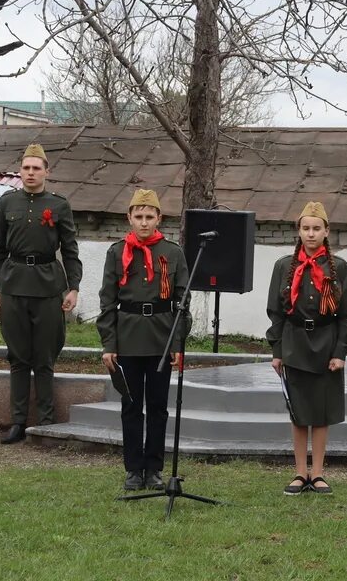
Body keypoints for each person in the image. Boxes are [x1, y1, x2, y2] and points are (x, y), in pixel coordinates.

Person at [0, 143, 81, 444]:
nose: (30, 173)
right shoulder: (7, 202)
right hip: (13, 284)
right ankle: (17, 422)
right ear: (21, 171)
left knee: (44, 357)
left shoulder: (59, 205)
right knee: (17, 357)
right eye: (26, 168)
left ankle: (45, 423)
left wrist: (74, 287)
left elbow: (69, 249)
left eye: (36, 168)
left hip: (47, 285)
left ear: (46, 172)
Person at [97, 189, 190, 492]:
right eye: (139, 217)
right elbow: (108, 301)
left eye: (150, 217)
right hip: (128, 336)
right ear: (129, 218)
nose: (144, 222)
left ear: (159, 218)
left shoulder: (173, 252)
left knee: (159, 406)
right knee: (131, 404)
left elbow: (182, 302)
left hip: (162, 337)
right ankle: (133, 469)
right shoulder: (117, 252)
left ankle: (154, 469)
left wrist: (177, 343)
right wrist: (109, 343)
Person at [266, 201, 347, 496]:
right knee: (298, 412)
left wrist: (340, 352)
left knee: (321, 412)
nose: (311, 233)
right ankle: (299, 472)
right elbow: (276, 312)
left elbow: (346, 315)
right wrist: (277, 350)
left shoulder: (339, 268)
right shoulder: (284, 266)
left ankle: (317, 473)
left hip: (325, 343)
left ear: (326, 231)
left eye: (316, 228)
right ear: (299, 231)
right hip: (294, 344)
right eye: (306, 228)